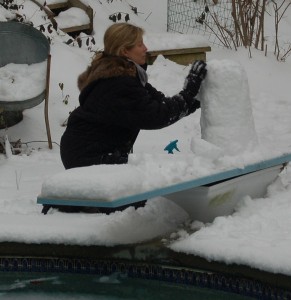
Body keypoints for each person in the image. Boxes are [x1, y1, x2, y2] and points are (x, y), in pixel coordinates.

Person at [42, 22, 207, 215]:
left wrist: (193, 99)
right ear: (125, 51)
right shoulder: (118, 84)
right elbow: (156, 115)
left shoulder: (125, 75)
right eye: (139, 44)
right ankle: (69, 203)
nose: (145, 48)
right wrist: (189, 91)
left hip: (91, 151)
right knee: (143, 192)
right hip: (89, 156)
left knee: (143, 188)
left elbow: (160, 103)